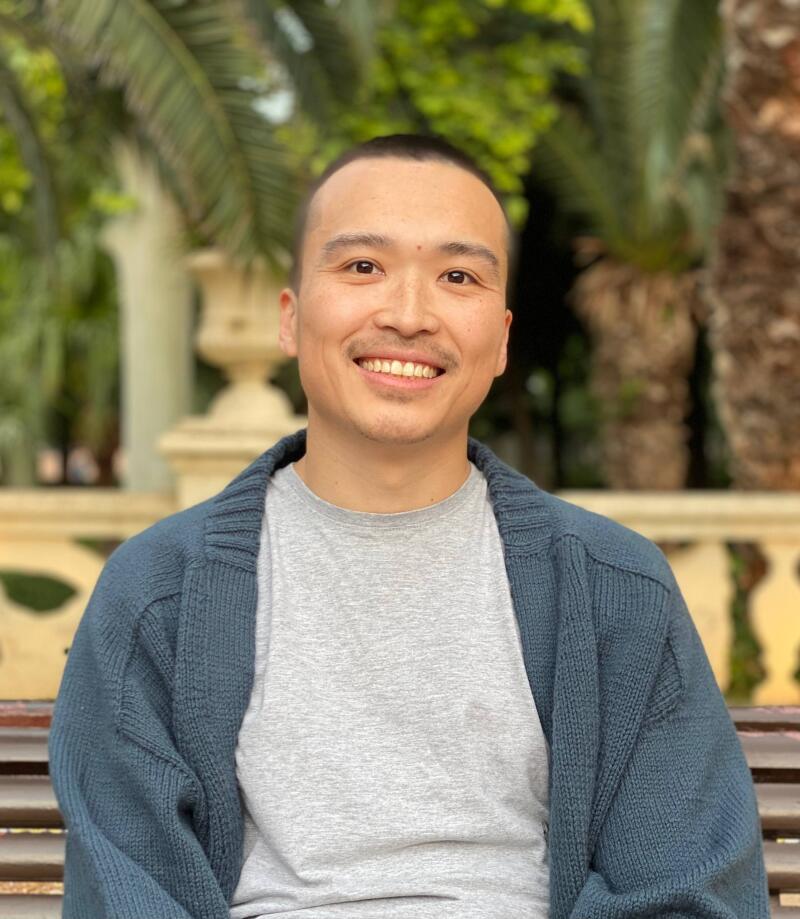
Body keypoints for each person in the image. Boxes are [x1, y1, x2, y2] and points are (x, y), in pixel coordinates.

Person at [49, 133, 770, 919]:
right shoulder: (160, 593)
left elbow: (687, 888)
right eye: (363, 266)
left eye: (458, 276)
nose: (408, 314)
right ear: (290, 318)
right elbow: (129, 892)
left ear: (501, 338)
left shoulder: (615, 590)